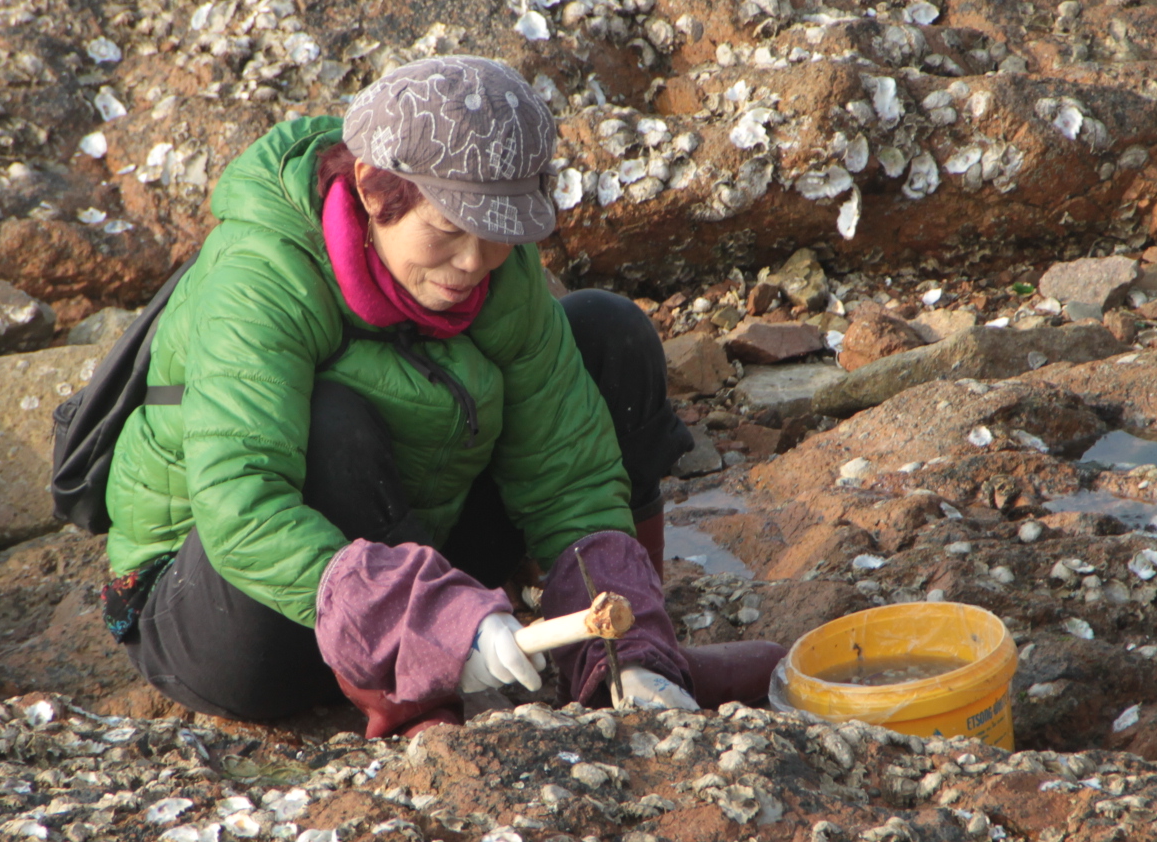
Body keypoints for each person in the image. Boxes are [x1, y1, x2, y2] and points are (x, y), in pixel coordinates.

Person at [100, 54, 785, 736]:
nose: (471, 264)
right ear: (373, 190)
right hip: (230, 602)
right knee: (332, 424)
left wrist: (628, 650)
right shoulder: (263, 277)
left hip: (419, 550)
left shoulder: (496, 269)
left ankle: (625, 661)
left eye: (495, 235)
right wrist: (441, 624)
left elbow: (569, 472)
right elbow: (239, 502)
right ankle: (413, 702)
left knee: (607, 333)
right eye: (449, 230)